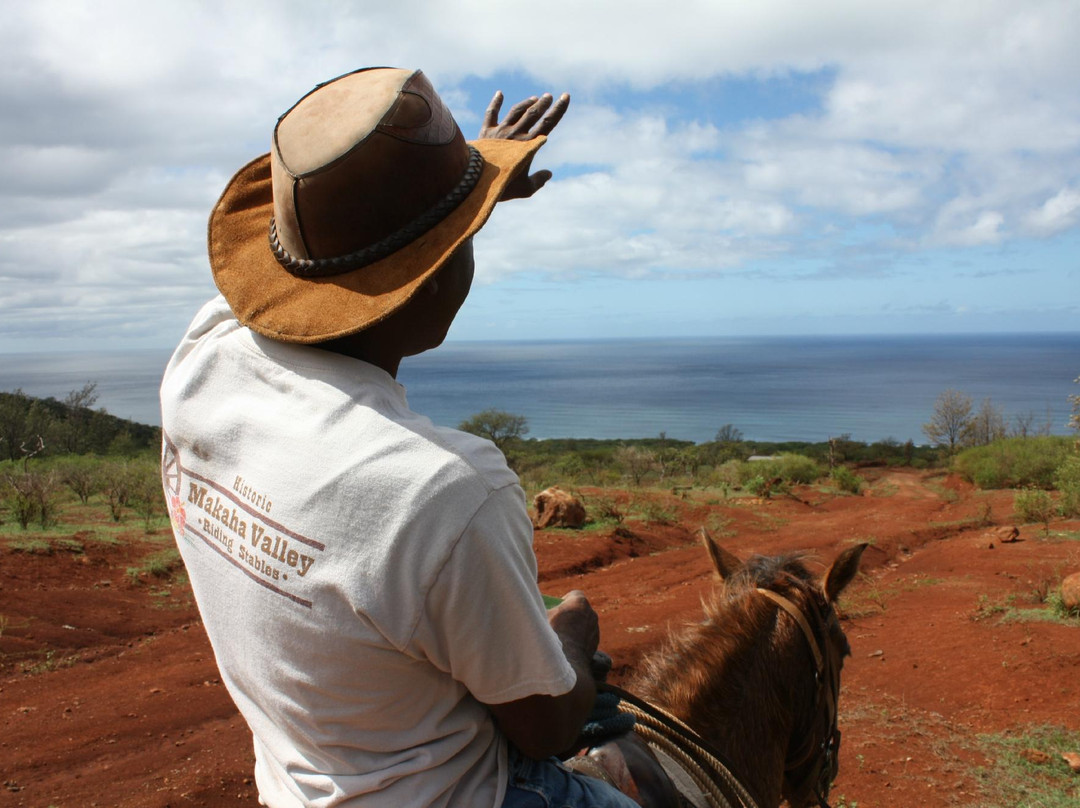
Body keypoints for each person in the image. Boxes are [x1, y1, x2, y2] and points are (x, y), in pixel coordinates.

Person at [160, 67, 640, 808]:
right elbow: (546, 728)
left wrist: (459, 199)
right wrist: (572, 637)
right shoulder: (446, 488)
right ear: (439, 275)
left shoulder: (202, 357)